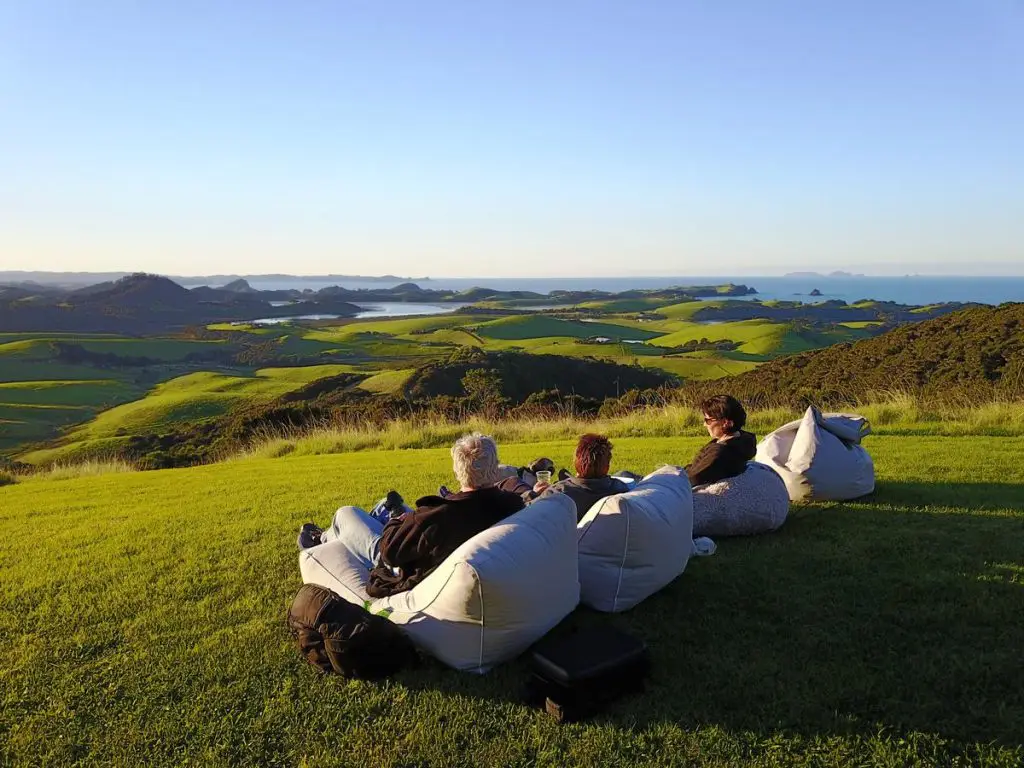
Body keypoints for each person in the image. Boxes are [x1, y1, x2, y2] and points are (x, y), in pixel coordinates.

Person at [298, 433, 524, 598]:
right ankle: (379, 514)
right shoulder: (512, 504)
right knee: (381, 506)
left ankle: (322, 540)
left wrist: (397, 518)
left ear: (458, 471)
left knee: (345, 514)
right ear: (495, 468)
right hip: (442, 542)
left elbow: (389, 552)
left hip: (404, 561)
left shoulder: (439, 516)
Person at [523, 434, 631, 522]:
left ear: (576, 462)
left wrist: (534, 493)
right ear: (607, 467)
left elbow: (523, 509)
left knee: (513, 482)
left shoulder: (558, 493)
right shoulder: (621, 489)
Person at [686, 395, 756, 487]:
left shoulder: (720, 453)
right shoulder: (743, 441)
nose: (705, 424)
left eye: (708, 421)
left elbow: (691, 479)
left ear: (726, 423)